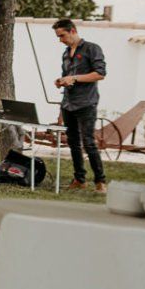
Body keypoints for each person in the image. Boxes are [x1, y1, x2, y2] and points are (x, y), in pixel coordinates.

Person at [52, 17, 107, 193]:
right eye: (58, 37)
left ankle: (100, 182)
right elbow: (67, 77)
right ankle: (79, 179)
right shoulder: (65, 53)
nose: (60, 40)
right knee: (73, 143)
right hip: (68, 104)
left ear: (73, 31)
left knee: (89, 142)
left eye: (62, 36)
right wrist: (61, 81)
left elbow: (100, 74)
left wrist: (74, 78)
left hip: (86, 103)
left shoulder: (92, 48)